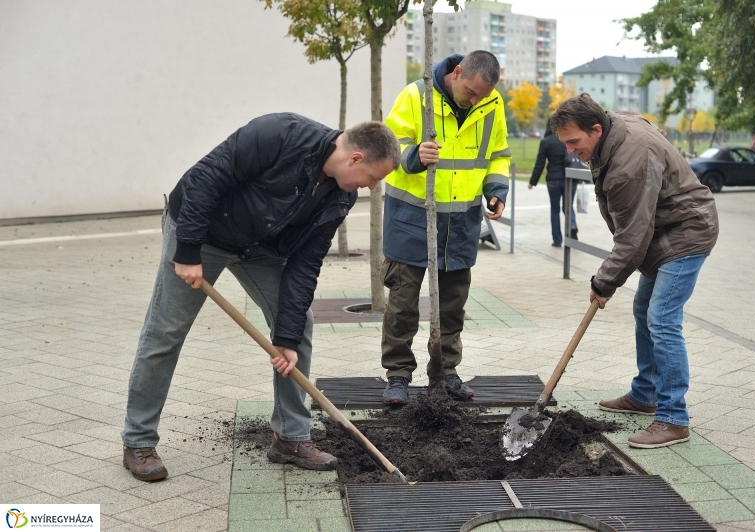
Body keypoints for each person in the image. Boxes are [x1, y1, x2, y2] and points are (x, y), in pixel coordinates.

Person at [121, 113, 400, 481]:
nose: (370, 188)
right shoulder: (279, 134)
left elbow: (305, 263)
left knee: (299, 328)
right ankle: (138, 441)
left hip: (260, 247)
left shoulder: (340, 195)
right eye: (373, 178)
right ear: (355, 158)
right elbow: (208, 177)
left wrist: (284, 340)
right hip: (202, 231)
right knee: (166, 331)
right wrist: (187, 249)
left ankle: (290, 437)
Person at [550, 94, 718, 448]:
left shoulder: (629, 163)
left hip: (686, 233)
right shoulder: (613, 130)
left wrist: (604, 282)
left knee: (661, 317)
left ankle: (674, 419)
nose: (569, 150)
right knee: (645, 308)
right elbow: (637, 233)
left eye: (574, 142)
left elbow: (632, 237)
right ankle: (646, 395)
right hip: (664, 232)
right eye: (565, 142)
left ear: (596, 129)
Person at [380, 51, 510, 405]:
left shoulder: (492, 102)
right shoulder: (415, 95)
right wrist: (415, 155)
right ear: (457, 73)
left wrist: (496, 191)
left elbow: (498, 153)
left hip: (460, 224)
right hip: (411, 218)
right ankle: (397, 376)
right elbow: (391, 145)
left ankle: (447, 372)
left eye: (482, 96)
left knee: (452, 306)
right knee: (403, 305)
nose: (476, 100)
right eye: (471, 92)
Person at [529, 128, 579, 247]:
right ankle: (572, 226)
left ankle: (557, 240)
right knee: (568, 206)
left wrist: (533, 181)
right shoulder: (568, 138)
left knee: (555, 209)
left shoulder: (546, 141)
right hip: (570, 178)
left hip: (553, 179)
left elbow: (540, 163)